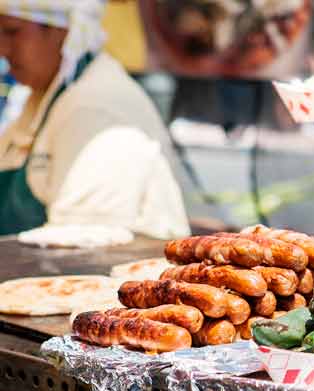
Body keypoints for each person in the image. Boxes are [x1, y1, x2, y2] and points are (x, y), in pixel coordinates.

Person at [0, 0, 189, 238]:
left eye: (11, 31)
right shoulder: (43, 94)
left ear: (63, 32)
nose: (2, 49)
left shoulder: (95, 104)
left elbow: (81, 243)